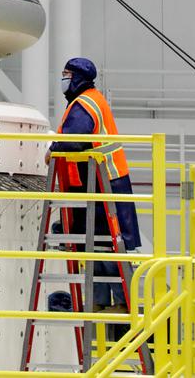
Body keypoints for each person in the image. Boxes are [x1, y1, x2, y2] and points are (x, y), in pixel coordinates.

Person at [49, 57, 141, 331]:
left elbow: (74, 139)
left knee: (110, 246)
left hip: (105, 183)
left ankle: (123, 301)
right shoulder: (89, 100)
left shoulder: (85, 104)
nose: (63, 80)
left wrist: (52, 149)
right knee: (97, 246)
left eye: (66, 75)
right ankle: (101, 300)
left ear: (77, 78)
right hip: (99, 182)